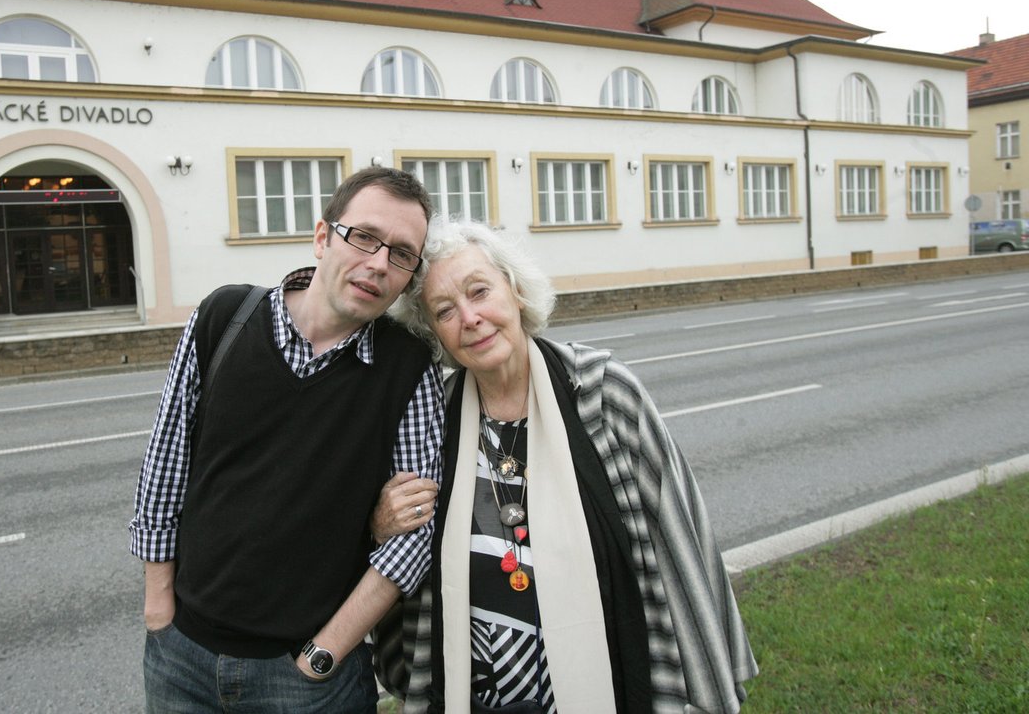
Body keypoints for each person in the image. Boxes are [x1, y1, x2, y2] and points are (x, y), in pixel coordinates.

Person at [379, 218, 757, 714]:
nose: (469, 318)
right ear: (435, 335)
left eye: (480, 291)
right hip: (479, 695)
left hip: (608, 679)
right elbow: (404, 549)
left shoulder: (603, 394)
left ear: (515, 291)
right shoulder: (434, 417)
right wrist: (382, 521)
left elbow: (677, 542)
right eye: (445, 310)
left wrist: (702, 680)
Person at [129, 167, 444, 713]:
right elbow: (165, 465)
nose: (378, 263)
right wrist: (160, 611)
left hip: (310, 680)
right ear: (323, 237)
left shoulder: (408, 367)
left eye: (401, 254)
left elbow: (414, 534)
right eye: (365, 237)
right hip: (181, 659)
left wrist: (326, 653)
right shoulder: (224, 317)